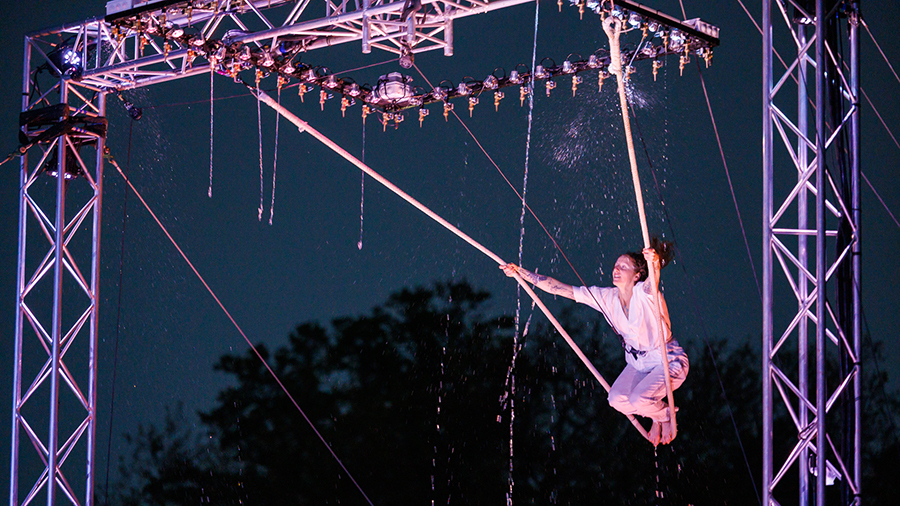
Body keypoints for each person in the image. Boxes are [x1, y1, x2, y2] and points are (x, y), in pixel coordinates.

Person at [500, 240, 688, 445]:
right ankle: (656, 414)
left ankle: (665, 416)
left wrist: (655, 264)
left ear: (637, 276)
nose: (616, 269)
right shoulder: (605, 296)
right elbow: (561, 289)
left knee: (639, 400)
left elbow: (653, 280)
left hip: (666, 360)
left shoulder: (645, 293)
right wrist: (522, 273)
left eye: (624, 266)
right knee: (616, 400)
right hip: (638, 363)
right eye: (616, 265)